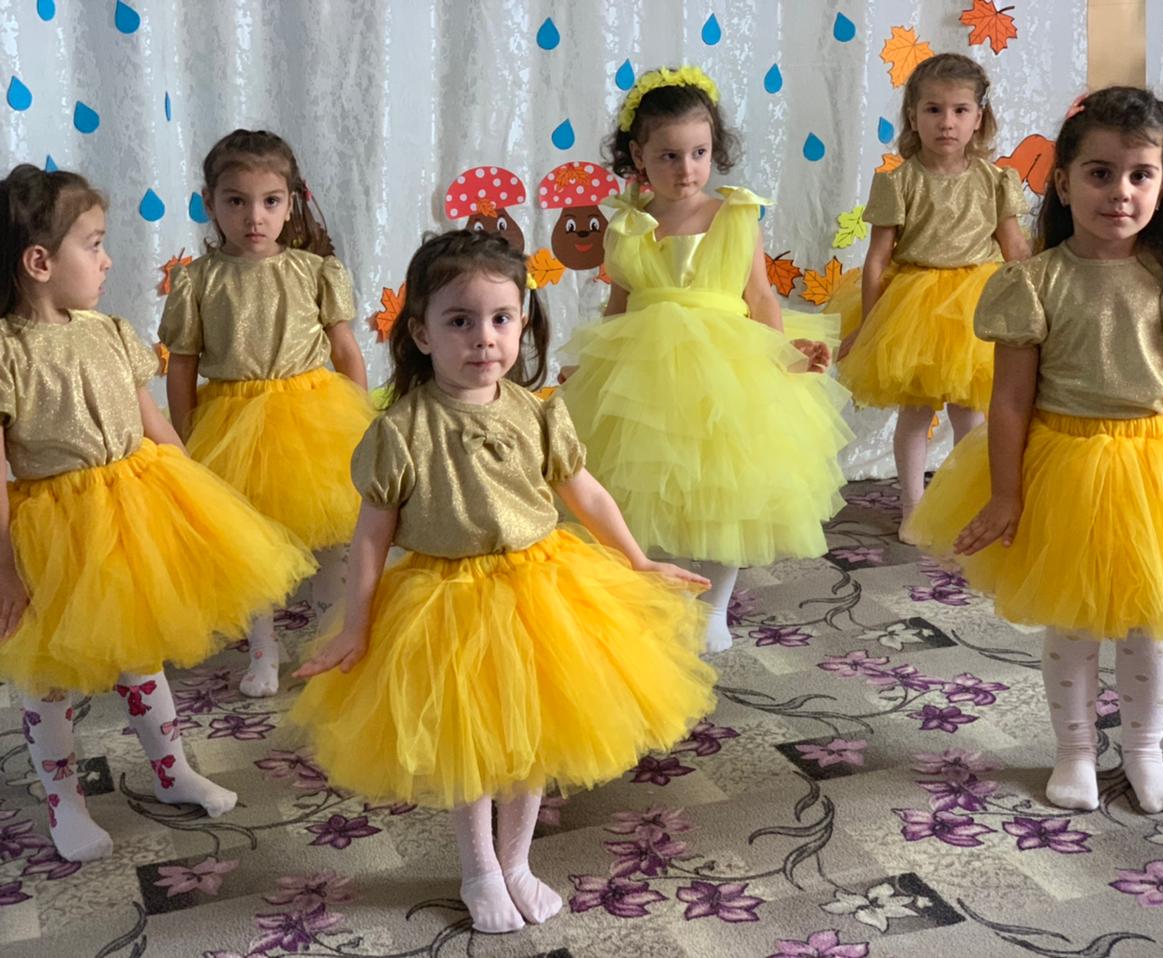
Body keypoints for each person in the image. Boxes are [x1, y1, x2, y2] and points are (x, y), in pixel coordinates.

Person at [290, 230, 718, 934]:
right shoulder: (402, 429)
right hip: (447, 599)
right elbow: (371, 536)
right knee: (472, 744)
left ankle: (515, 860)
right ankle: (480, 869)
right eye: (460, 320)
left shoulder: (537, 409)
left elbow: (586, 492)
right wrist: (357, 623)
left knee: (531, 737)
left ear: (523, 322)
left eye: (500, 318)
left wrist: (637, 561)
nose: (484, 338)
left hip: (540, 588)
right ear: (422, 333)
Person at [906, 87, 1163, 814]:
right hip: (1066, 464)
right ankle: (1075, 752)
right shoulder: (1033, 282)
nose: (1121, 192)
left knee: (1149, 624)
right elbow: (1010, 400)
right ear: (1063, 181)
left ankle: (1144, 752)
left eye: (1141, 175)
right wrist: (1006, 493)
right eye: (1100, 173)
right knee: (1072, 623)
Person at [0, 164, 315, 861]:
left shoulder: (111, 331)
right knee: (48, 677)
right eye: (94, 245)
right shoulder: (6, 353)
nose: (108, 259)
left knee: (141, 653)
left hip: (134, 507)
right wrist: (7, 569)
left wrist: (202, 501)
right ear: (39, 263)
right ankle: (64, 801)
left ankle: (172, 771)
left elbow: (155, 427)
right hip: (54, 529)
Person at [560, 65, 852, 651]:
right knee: (643, 486)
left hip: (726, 365)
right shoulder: (627, 225)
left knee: (726, 494)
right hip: (643, 369)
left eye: (699, 153)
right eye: (668, 156)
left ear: (715, 149)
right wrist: (594, 367)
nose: (686, 169)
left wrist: (781, 354)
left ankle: (715, 607)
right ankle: (658, 590)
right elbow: (619, 305)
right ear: (638, 157)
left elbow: (760, 297)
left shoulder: (735, 216)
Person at [161, 129, 374, 697]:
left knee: (334, 538)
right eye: (236, 201)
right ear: (209, 204)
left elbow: (346, 351)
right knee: (249, 543)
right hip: (231, 423)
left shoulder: (314, 270)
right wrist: (183, 439)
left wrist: (365, 422)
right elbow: (182, 365)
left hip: (315, 414)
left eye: (270, 201)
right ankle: (263, 648)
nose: (254, 217)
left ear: (290, 202)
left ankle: (329, 640)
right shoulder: (197, 280)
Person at [833, 53, 1029, 540]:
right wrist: (869, 326)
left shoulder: (995, 181)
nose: (947, 122)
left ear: (979, 118)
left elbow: (1016, 252)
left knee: (971, 413)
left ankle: (968, 501)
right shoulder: (898, 181)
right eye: (934, 110)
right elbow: (877, 259)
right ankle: (914, 508)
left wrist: (1035, 309)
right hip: (915, 305)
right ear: (913, 116)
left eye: (961, 110)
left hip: (976, 307)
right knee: (916, 412)